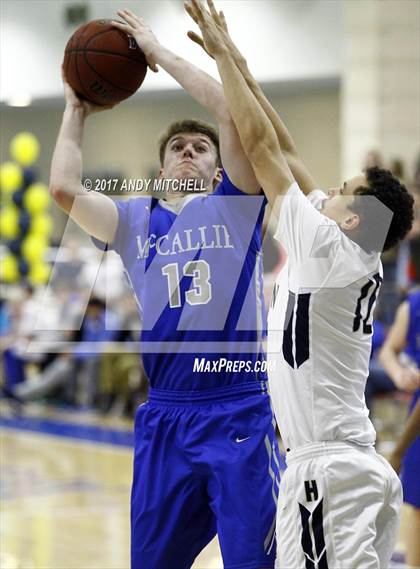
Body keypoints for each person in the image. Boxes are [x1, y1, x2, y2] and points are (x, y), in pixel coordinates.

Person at [185, 1, 415, 566]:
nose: (328, 189)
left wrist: (220, 59)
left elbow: (264, 151)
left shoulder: (327, 246)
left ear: (354, 216)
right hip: (347, 463)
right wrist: (236, 57)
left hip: (328, 472)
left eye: (341, 188)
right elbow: (284, 148)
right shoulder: (353, 249)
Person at [49, 9, 281, 568]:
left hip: (238, 408)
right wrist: (75, 109)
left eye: (200, 148)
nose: (188, 152)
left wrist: (160, 53)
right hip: (166, 415)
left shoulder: (236, 206)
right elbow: (61, 186)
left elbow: (230, 110)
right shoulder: (135, 220)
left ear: (220, 166)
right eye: (177, 146)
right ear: (159, 174)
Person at [379, 289, 420, 567]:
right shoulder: (414, 305)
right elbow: (388, 351)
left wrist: (397, 452)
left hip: (414, 426)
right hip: (415, 420)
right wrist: (399, 373)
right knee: (416, 508)